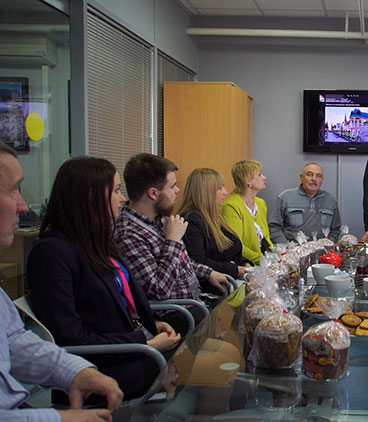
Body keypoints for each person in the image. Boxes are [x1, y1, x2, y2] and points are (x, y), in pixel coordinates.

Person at [27, 156, 181, 403]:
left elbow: (119, 303)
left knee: (203, 359)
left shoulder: (96, 243)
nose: (122, 198)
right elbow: (71, 338)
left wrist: (153, 324)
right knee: (200, 367)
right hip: (104, 369)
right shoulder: (52, 253)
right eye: (116, 190)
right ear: (91, 196)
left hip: (132, 351)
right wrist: (146, 341)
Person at [0, 143, 123, 421]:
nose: (23, 205)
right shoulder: (54, 252)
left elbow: (14, 341)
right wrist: (57, 418)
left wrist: (74, 371)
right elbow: (71, 333)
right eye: (13, 190)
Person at [113, 153, 231, 302]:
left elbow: (181, 262)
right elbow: (158, 290)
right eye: (172, 186)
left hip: (195, 301)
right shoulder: (128, 234)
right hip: (176, 311)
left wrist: (209, 273)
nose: (178, 190)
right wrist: (173, 241)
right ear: (153, 193)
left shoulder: (160, 219)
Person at [177, 168, 251, 280]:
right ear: (205, 192)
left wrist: (245, 263)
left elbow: (231, 250)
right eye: (220, 188)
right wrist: (237, 270)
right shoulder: (191, 220)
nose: (225, 192)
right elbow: (198, 261)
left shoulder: (215, 216)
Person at [267, 162, 343, 243]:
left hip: (322, 250)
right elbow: (274, 227)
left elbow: (336, 229)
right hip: (292, 249)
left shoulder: (330, 200)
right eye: (309, 174)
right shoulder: (285, 197)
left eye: (318, 176)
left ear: (322, 180)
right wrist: (286, 247)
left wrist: (327, 246)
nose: (314, 179)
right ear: (301, 177)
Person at [221, 160, 272, 265]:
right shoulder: (231, 206)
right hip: (244, 262)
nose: (264, 177)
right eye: (259, 174)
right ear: (247, 181)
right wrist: (264, 260)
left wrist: (278, 256)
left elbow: (265, 239)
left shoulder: (261, 203)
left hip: (262, 258)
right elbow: (236, 246)